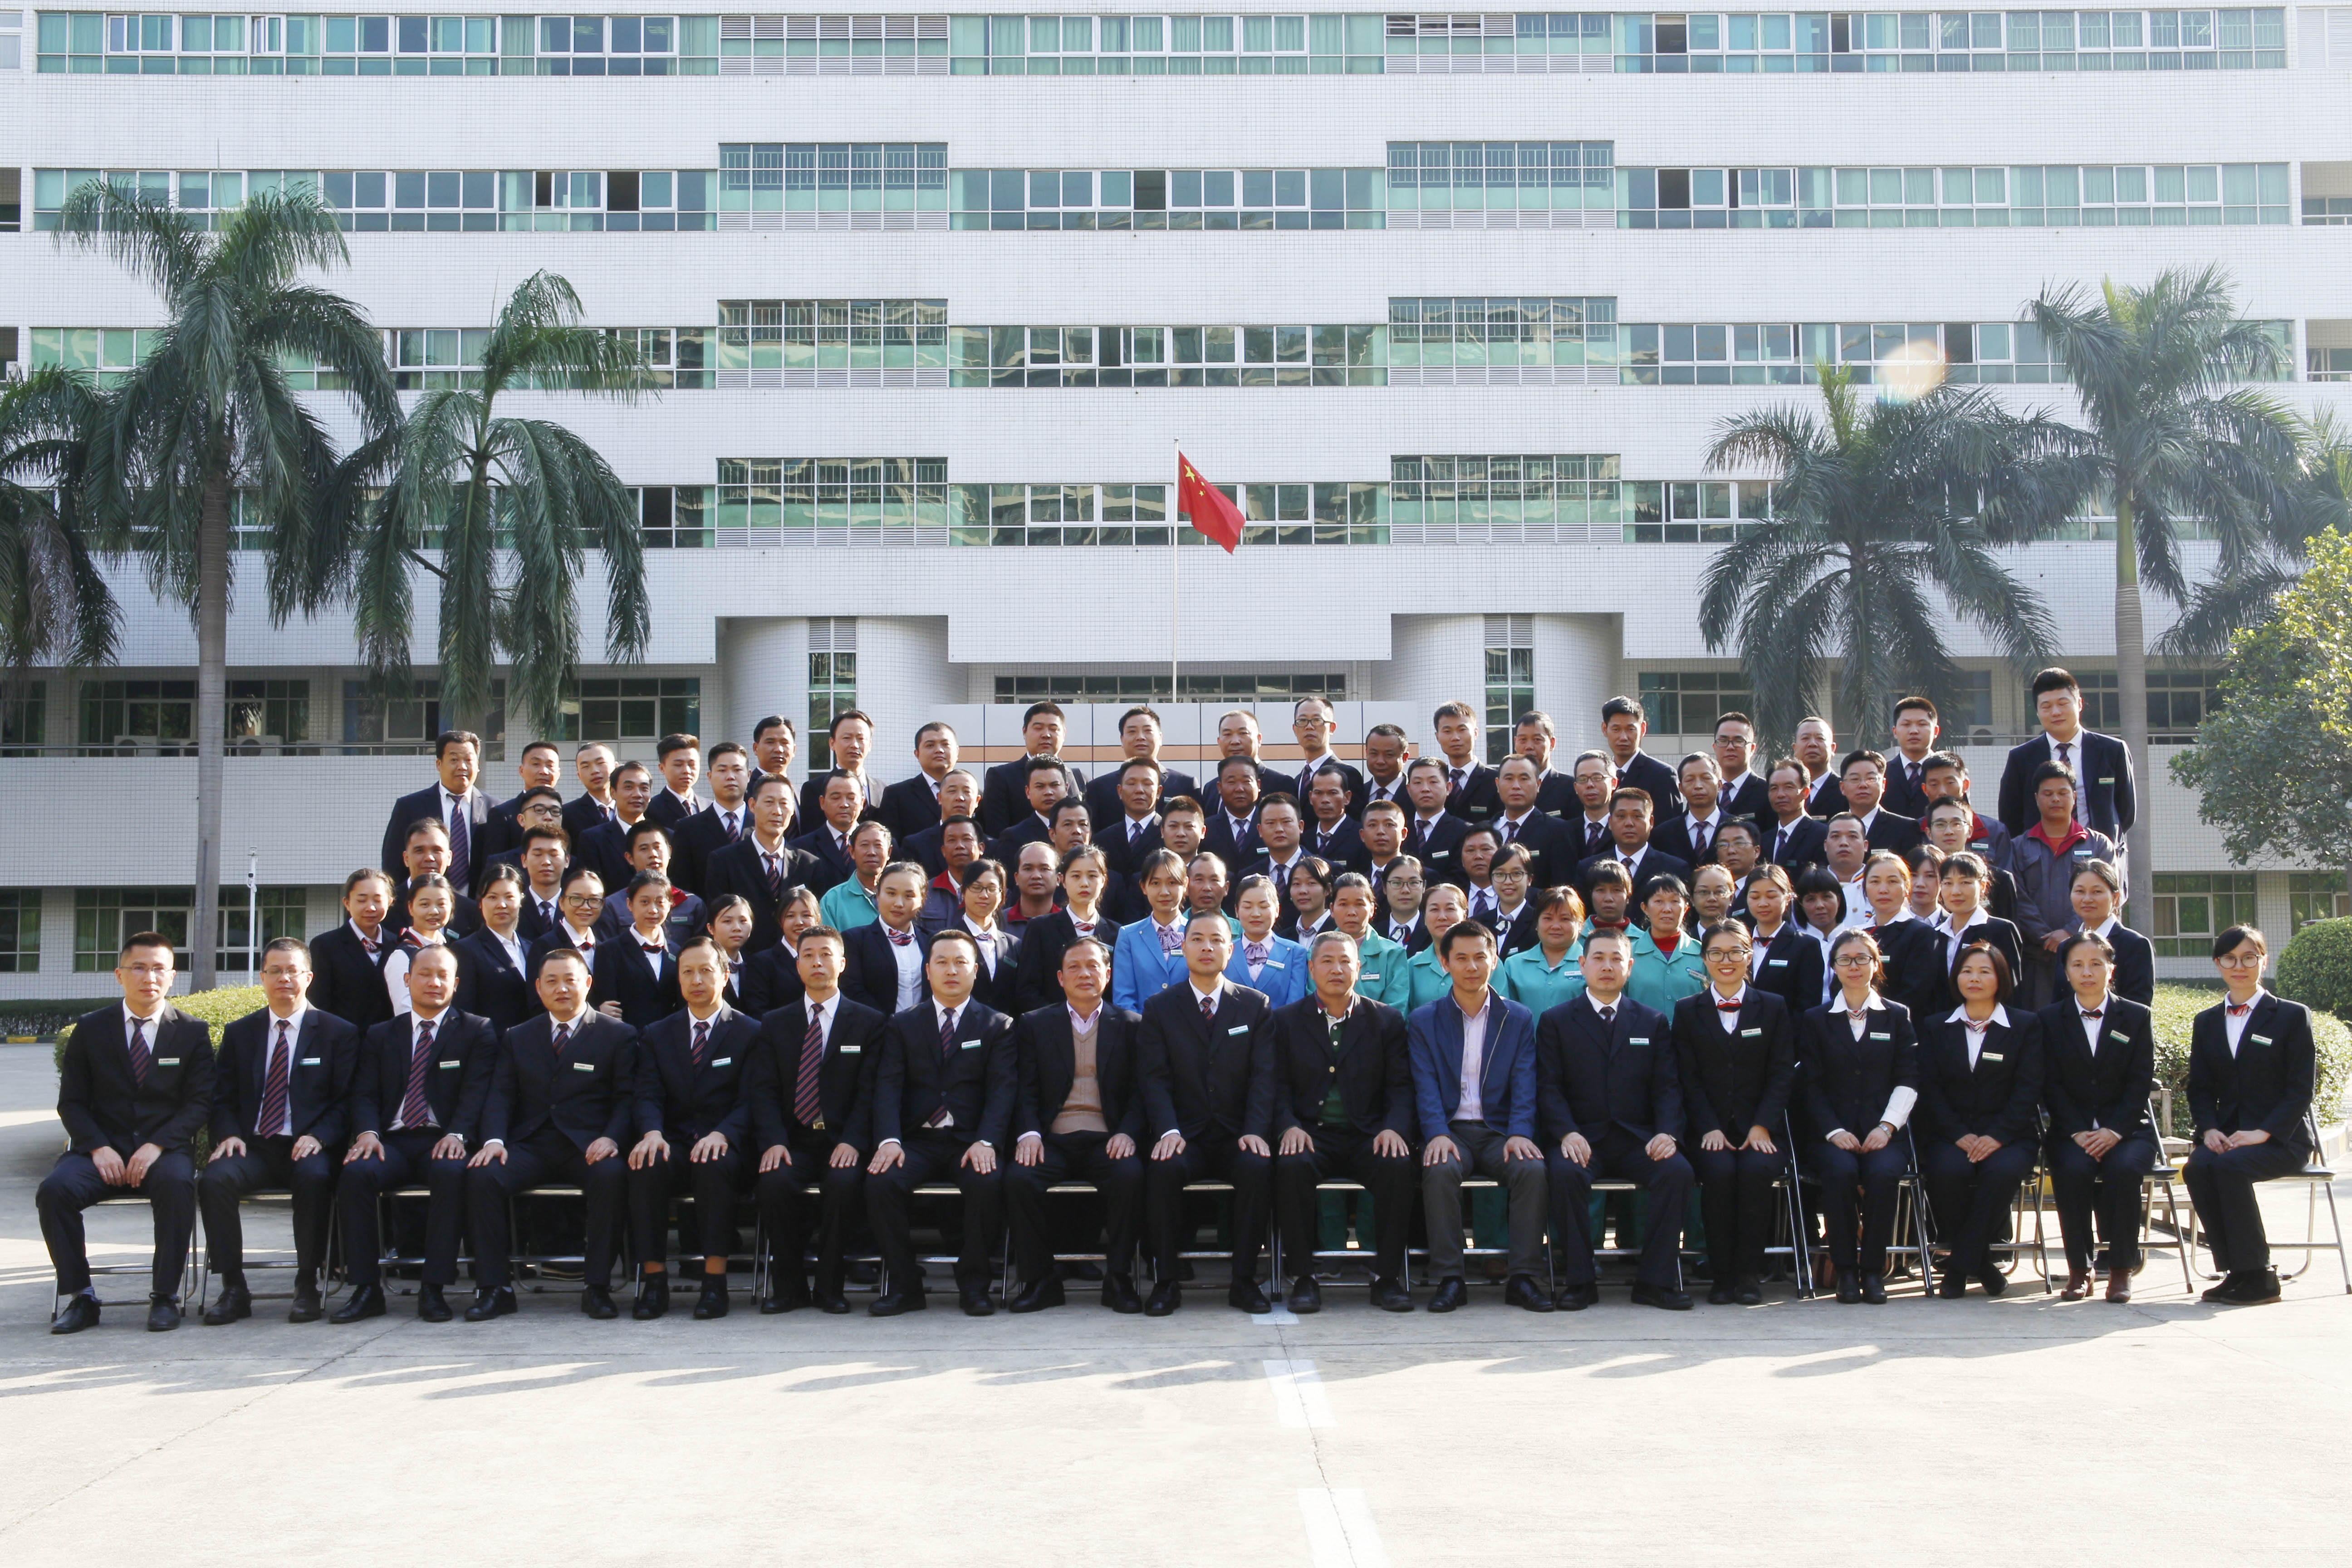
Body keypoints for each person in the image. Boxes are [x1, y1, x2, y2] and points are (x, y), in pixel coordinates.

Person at [40, 934, 215, 1335]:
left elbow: (199, 1104)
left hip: (162, 1151)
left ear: (172, 977)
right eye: (139, 968)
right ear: (120, 975)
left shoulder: (191, 1032)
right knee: (55, 1191)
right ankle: (81, 1297)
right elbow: (72, 1103)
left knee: (177, 1185)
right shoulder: (90, 1029)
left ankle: (165, 1296)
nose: (149, 977)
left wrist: (157, 1145)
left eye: (158, 969)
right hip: (100, 1152)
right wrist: (98, 1147)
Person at [464, 947, 637, 1321]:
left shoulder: (618, 1035)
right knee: (483, 1176)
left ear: (587, 984)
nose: (562, 989)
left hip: (588, 1144)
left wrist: (612, 1138)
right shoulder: (518, 1036)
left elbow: (627, 1099)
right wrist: (494, 1141)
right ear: (539, 988)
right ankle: (495, 1288)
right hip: (532, 1143)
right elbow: (500, 1095)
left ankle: (597, 1287)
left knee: (612, 1176)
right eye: (552, 981)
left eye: (570, 980)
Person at [330, 942, 497, 1323]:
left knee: (451, 1175)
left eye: (443, 976)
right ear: (407, 980)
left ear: (456, 984)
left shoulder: (477, 1030)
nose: (433, 982)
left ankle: (433, 1288)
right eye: (424, 974)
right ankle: (366, 1289)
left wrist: (458, 1134)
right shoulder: (380, 1034)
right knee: (356, 1175)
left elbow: (477, 1093)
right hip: (391, 1141)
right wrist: (367, 1133)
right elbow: (364, 1092)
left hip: (445, 1140)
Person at [196, 939, 359, 1327]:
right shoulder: (241, 1033)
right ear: (263, 977)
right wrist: (228, 1134)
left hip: (309, 1146)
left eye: (292, 971)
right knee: (214, 1180)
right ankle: (233, 1287)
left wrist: (319, 1136)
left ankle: (307, 1282)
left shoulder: (338, 1032)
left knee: (316, 1178)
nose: (284, 978)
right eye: (275, 971)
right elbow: (222, 1098)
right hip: (253, 1146)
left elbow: (347, 1100)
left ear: (309, 977)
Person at [1535, 926, 1695, 1311]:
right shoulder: (1557, 1020)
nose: (1607, 967)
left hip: (1637, 1138)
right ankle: (1580, 1282)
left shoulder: (1652, 1021)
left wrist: (1668, 1134)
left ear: (1630, 967)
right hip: (1581, 1138)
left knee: (1677, 1172)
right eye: (1599, 958)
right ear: (1582, 964)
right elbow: (1548, 1087)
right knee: (1565, 1174)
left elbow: (1667, 1087)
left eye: (1616, 959)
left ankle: (1654, 1281)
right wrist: (1566, 1133)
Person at [866, 928, 1018, 1316]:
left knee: (988, 1181)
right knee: (881, 1182)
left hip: (970, 1140)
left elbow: (1002, 1091)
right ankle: (905, 1286)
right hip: (916, 1140)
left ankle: (975, 1286)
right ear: (928, 971)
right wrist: (889, 1140)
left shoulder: (998, 1025)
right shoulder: (902, 1024)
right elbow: (888, 1087)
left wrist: (987, 1141)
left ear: (975, 970)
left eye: (961, 962)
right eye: (942, 962)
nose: (952, 970)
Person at [1134, 912, 1280, 1315]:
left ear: (1230, 950)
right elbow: (1154, 1078)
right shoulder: (1160, 1008)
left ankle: (1244, 1281)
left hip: (1237, 1133)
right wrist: (1167, 1130)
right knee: (1162, 1169)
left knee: (1257, 1167)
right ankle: (1166, 1281)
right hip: (1185, 1134)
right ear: (1183, 948)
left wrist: (1256, 1130)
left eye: (1216, 940)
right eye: (1197, 939)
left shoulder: (1255, 1005)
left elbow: (1264, 1076)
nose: (1207, 947)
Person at [1404, 919, 1548, 1312]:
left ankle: (1523, 1278)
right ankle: (1451, 1278)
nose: (1472, 967)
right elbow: (1424, 1085)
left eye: (1480, 958)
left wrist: (1520, 1133)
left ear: (1494, 960)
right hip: (1450, 1130)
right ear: (1445, 962)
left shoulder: (1517, 1017)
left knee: (1531, 1170)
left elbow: (1525, 1081)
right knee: (1439, 1169)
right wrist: (1435, 1133)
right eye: (1462, 958)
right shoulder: (1424, 1020)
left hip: (1498, 1131)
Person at [1270, 931, 1416, 1313]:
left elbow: (1401, 1086)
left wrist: (1393, 1128)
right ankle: (1304, 1277)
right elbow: (1275, 1085)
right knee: (1291, 1166)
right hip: (1310, 1133)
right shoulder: (1286, 1021)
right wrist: (1288, 1126)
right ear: (1311, 969)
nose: (1337, 969)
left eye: (1345, 961)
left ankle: (1387, 1278)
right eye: (1327, 961)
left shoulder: (1386, 1020)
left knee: (1398, 1165)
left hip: (1368, 1133)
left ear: (1359, 967)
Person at [745, 926, 885, 1313]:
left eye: (826, 955)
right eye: (808, 955)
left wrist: (853, 1140)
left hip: (844, 1140)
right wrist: (774, 1141)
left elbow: (871, 1092)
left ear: (843, 964)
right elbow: (764, 1090)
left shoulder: (870, 1022)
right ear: (797, 966)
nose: (817, 962)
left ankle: (830, 1288)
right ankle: (788, 1288)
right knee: (774, 1183)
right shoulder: (775, 1023)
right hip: (793, 1139)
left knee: (843, 1185)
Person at [1006, 938, 1146, 1313]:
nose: (1085, 974)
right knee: (1019, 1179)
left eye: (1093, 966)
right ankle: (1040, 1280)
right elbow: (1024, 1089)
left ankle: (1119, 1279)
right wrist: (1030, 1133)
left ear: (1108, 975)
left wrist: (1128, 1132)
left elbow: (1142, 1092)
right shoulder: (1035, 1024)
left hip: (1107, 1138)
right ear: (1060, 978)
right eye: (1075, 967)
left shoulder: (1131, 1026)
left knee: (1130, 1176)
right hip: (1053, 1138)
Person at [625, 936, 757, 1320]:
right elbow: (647, 1094)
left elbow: (754, 1099)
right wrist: (652, 1133)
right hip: (676, 1141)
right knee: (646, 1164)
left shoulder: (750, 1032)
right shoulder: (657, 1033)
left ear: (725, 975)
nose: (696, 980)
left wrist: (724, 1134)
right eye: (687, 972)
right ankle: (654, 1283)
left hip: (728, 1144)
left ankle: (714, 1284)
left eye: (705, 971)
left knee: (714, 1165)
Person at [2184, 925, 2317, 1306]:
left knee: (2229, 1168)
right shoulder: (2207, 1021)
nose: (2239, 966)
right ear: (2218, 964)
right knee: (2197, 1168)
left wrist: (2264, 1132)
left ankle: (2260, 1276)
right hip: (2228, 1136)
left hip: (2282, 1140)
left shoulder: (2292, 1016)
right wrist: (2209, 1130)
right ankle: (2237, 1272)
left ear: (2264, 961)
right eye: (2230, 959)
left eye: (2248, 958)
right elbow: (2201, 1088)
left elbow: (2301, 1089)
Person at [1672, 921, 1798, 1305]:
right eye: (1716, 953)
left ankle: (1748, 1275)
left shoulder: (1773, 1007)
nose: (1725, 961)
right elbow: (1687, 1077)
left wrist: (1762, 1125)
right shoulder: (1688, 1010)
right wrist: (1707, 1127)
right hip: (1708, 1129)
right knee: (1719, 1173)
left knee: (1757, 1173)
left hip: (1762, 1128)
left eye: (1735, 952)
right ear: (1704, 958)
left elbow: (1782, 1073)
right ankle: (1722, 1276)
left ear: (1749, 956)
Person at [1915, 941, 2045, 1297]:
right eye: (1967, 971)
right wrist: (1958, 1134)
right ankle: (1982, 1263)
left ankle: (1959, 1267)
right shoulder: (1936, 1026)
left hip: (2009, 1136)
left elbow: (2029, 1088)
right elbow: (1930, 1088)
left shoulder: (2026, 1025)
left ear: (2000, 978)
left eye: (1984, 971)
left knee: (2001, 1172)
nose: (1974, 978)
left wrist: (1997, 1135)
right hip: (1951, 1135)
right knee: (1948, 1171)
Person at [2036, 931, 2158, 1302]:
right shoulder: (2049, 1019)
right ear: (2066, 972)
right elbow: (2049, 1082)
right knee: (2072, 1171)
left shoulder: (2136, 1016)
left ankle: (2120, 1270)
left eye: (2095, 964)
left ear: (2111, 969)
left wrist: (2114, 1130)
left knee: (2124, 1171)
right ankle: (2079, 1270)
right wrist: (2077, 1130)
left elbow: (2140, 1081)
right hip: (2071, 1132)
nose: (2087, 972)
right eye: (2077, 965)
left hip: (2127, 1132)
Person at [1802, 927, 1919, 1304]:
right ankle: (1845, 1271)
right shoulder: (1816, 1019)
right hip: (1831, 1134)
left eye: (1862, 959)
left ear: (1876, 964)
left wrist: (1887, 1126)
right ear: (1834, 967)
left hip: (1884, 1132)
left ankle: (1872, 1271)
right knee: (1840, 1173)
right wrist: (1833, 1131)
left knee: (1883, 1174)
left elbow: (1909, 1077)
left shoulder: (1897, 1016)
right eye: (1845, 960)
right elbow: (1810, 1085)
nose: (1854, 966)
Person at [2012, 762, 2122, 1005]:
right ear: (2037, 799)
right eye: (2048, 793)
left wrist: (2071, 933)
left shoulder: (2099, 845)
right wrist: (2046, 937)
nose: (2056, 799)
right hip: (2035, 957)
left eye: (2063, 793)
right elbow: (2017, 897)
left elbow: (2109, 894)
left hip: (2089, 957)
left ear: (2074, 797)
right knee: (2038, 1021)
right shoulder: (2019, 846)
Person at [1998, 666, 2136, 849]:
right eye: (2046, 707)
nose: (2056, 712)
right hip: (2041, 857)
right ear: (2038, 712)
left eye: (2063, 704)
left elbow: (2126, 813)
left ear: (2079, 704)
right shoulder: (2021, 758)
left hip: (2100, 855)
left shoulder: (2113, 750)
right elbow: (2010, 816)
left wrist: (2103, 845)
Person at [380, 729, 509, 898]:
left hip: (478, 907)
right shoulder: (409, 807)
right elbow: (393, 864)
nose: (462, 767)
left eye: (468, 760)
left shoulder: (496, 809)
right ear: (439, 764)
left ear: (478, 765)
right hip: (423, 905)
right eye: (454, 760)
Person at [701, 774, 822, 955]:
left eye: (784, 803)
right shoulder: (724, 860)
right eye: (769, 802)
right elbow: (719, 919)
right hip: (745, 960)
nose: (777, 811)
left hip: (795, 962)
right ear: (752, 805)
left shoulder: (809, 864)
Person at [1012, 844, 1122, 1013]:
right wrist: (1062, 1020)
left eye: (1092, 876)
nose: (1084, 883)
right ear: (1063, 880)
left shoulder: (1118, 933)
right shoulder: (1040, 928)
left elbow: (1119, 991)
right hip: (1050, 1023)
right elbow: (1027, 990)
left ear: (1104, 881)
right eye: (1076, 876)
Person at [1929, 852, 2028, 1011]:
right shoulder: (1934, 934)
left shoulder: (2001, 930)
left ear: (1983, 886)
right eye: (1948, 883)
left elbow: (2011, 989)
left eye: (1965, 882)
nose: (1956, 892)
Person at [590, 872, 684, 1029]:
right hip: (628, 1038)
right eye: (645, 902)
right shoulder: (609, 951)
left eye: (660, 902)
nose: (653, 910)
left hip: (671, 1039)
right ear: (630, 904)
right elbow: (609, 1006)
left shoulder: (679, 952)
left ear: (670, 905)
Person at [1855, 852, 1944, 1017]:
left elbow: (1915, 994)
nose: (1883, 890)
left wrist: (1875, 1018)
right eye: (1875, 882)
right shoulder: (1855, 935)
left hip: (1900, 1024)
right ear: (1865, 888)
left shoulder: (1920, 934)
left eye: (1893, 882)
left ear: (1907, 887)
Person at [840, 862, 934, 1016]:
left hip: (925, 1029)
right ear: (878, 894)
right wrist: (890, 1025)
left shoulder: (933, 942)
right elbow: (852, 991)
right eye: (891, 893)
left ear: (922, 900)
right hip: (874, 1028)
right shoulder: (855, 941)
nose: (899, 904)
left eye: (909, 896)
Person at [310, 869, 398, 1031]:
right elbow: (319, 1004)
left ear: (390, 902)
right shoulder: (325, 946)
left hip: (390, 1040)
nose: (371, 908)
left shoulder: (399, 945)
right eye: (362, 900)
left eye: (378, 900)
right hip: (344, 1040)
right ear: (347, 903)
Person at [1083, 706, 1198, 830]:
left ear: (1160, 738)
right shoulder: (1098, 788)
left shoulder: (1185, 785)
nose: (1140, 737)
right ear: (1122, 740)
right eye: (1132, 732)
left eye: (1148, 731)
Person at [980, 701, 1084, 836]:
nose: (1046, 735)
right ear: (1025, 732)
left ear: (1064, 734)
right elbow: (996, 834)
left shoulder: (1080, 779)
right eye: (1038, 728)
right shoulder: (1001, 777)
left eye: (1053, 729)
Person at [455, 865, 538, 1030]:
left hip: (532, 1041)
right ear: (481, 903)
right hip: (491, 1041)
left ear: (521, 899)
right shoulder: (466, 950)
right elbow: (464, 1012)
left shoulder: (533, 948)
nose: (502, 904)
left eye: (509, 897)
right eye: (493, 897)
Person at [1575, 786, 1690, 903]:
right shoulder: (1588, 869)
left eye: (1637, 816)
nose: (1629, 823)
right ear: (1610, 822)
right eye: (1621, 816)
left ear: (1651, 822)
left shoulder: (1675, 869)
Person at [1111, 848, 1191, 1012]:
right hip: (1142, 1026)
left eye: (1172, 883)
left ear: (1185, 885)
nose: (1164, 892)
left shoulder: (1197, 933)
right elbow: (1124, 998)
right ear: (1144, 887)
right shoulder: (1128, 936)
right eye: (1156, 883)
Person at [671, 740, 753, 897]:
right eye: (722, 770)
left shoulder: (763, 825)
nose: (730, 777)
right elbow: (682, 886)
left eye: (737, 770)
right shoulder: (688, 829)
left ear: (749, 775)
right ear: (710, 776)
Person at [2069, 859, 2154, 1005]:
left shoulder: (2135, 946)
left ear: (2115, 898)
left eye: (2097, 892)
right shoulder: (2066, 947)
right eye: (2080, 891)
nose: (2087, 899)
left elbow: (2138, 1008)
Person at [1743, 865, 1824, 1017]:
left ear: (1788, 898)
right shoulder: (1738, 943)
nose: (1763, 903)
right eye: (1755, 897)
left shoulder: (1805, 946)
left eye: (1771, 896)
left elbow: (1808, 1007)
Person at [1919, 752, 2017, 872]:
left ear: (1966, 785)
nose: (1943, 792)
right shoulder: (1916, 830)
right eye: (1934, 785)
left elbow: (2005, 878)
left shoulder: (1995, 831)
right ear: (1925, 789)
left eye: (1950, 783)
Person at [1495, 886, 1587, 1014]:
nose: (1556, 926)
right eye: (1548, 918)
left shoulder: (1592, 964)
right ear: (1537, 924)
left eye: (1565, 919)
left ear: (1581, 925)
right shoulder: (1514, 965)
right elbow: (1506, 1013)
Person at [1626, 874, 1708, 1016]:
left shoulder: (1703, 953)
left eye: (1675, 901)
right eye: (1659, 901)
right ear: (1645, 908)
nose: (1667, 909)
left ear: (1686, 908)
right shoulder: (1628, 954)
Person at [1924, 799, 2018, 921]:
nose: (1949, 832)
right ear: (1929, 833)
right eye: (1940, 825)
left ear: (1970, 831)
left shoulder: (2000, 880)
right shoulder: (1920, 878)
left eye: (1957, 824)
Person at [1489, 755, 1573, 890]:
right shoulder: (1486, 830)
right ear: (1498, 785)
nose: (1516, 786)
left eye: (1524, 779)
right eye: (1509, 779)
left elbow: (1561, 888)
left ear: (1538, 784)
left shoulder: (1557, 831)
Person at [382, 872, 459, 1017]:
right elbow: (405, 1013)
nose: (434, 911)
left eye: (441, 904)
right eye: (425, 905)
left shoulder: (450, 949)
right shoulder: (402, 957)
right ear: (411, 907)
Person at [389, 818, 481, 938]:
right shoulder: (388, 905)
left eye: (437, 851)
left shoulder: (470, 911)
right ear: (406, 859)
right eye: (419, 851)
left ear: (449, 858)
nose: (429, 858)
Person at [1330, 872, 1410, 1011]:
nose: (1351, 912)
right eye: (1343, 904)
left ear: (1372, 909)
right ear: (1332, 909)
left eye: (1359, 904)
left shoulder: (1392, 954)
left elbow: (1396, 1009)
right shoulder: (1317, 951)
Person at [1228, 874, 1310, 1009]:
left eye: (1264, 906)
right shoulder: (1225, 951)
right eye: (1248, 907)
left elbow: (1295, 1004)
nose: (1256, 914)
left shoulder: (1296, 953)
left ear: (1277, 910)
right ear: (1237, 911)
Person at [740, 886, 823, 1018]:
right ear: (780, 921)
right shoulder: (761, 963)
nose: (799, 922)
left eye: (806, 915)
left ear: (818, 919)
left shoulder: (829, 959)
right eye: (790, 916)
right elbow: (758, 1012)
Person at [575, 760, 656, 894]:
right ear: (613, 793)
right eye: (629, 787)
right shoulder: (593, 839)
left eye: (644, 788)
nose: (637, 794)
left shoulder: (667, 837)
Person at [955, 858, 1022, 1014]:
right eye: (976, 888)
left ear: (1002, 894)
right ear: (963, 892)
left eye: (992, 889)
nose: (984, 895)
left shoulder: (1014, 945)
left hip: (1007, 1027)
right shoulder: (945, 941)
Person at [1600, 695, 1682, 822]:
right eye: (1616, 730)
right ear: (1605, 729)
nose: (1623, 737)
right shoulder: (1600, 776)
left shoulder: (1663, 775)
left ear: (1643, 729)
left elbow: (1670, 827)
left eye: (1631, 729)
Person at [879, 719, 962, 843]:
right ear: (917, 754)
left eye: (945, 744)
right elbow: (892, 843)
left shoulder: (973, 794)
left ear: (957, 751)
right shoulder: (897, 795)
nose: (939, 750)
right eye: (930, 745)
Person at [798, 709, 881, 831]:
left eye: (861, 739)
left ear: (870, 745)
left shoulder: (883, 790)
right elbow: (810, 836)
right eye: (847, 738)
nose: (855, 745)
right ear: (832, 743)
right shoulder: (814, 789)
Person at [987, 756, 1074, 867]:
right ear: (1028, 792)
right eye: (1040, 786)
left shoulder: (1082, 830)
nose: (1048, 792)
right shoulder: (1014, 837)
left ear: (1066, 788)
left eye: (1054, 785)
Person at [792, 769, 868, 895]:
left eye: (851, 798)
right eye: (836, 798)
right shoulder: (800, 849)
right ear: (822, 803)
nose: (844, 804)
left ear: (862, 803)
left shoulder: (880, 846)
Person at [1651, 752, 1729, 868]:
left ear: (1719, 785)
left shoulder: (1739, 829)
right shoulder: (1662, 835)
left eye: (1706, 778)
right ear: (1681, 788)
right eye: (1690, 780)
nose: (1698, 786)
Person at [1838, 748, 1923, 853]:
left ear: (1883, 785)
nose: (1863, 785)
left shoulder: (1905, 828)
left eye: (1871, 779)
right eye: (1855, 779)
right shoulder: (1831, 830)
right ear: (1842, 787)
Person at [1401, 757, 1470, 887]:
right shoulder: (1400, 831)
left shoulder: (1464, 832)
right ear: (1409, 790)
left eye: (1433, 782)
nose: (1425, 789)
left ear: (1448, 788)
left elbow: (1461, 878)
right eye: (1418, 783)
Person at [1288, 695, 1365, 810]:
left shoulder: (1348, 774)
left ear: (1332, 728)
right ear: (1295, 729)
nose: (1309, 727)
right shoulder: (1297, 781)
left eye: (1317, 720)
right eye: (1302, 721)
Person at [1098, 757, 1170, 879]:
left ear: (1159, 792)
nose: (1139, 790)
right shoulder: (1102, 840)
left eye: (1147, 784)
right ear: (1120, 791)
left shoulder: (1170, 835)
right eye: (1131, 784)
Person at [1428, 698, 1499, 822]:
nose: (1455, 738)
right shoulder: (1431, 783)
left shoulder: (1496, 781)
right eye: (1447, 731)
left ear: (1476, 733)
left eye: (1462, 730)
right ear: (1437, 737)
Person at [819, 819, 896, 931]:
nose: (872, 852)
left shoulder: (904, 896)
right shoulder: (832, 901)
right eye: (865, 845)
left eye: (878, 845)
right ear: (852, 852)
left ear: (889, 852)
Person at [1402, 882, 1468, 1009]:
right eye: (1434, 910)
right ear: (1425, 918)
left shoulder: (1485, 961)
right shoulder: (1412, 967)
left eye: (1450, 909)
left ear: (1464, 915)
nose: (1442, 917)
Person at [906, 769, 984, 877]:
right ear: (940, 798)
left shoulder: (992, 845)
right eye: (952, 791)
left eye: (967, 792)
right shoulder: (916, 845)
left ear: (977, 801)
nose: (960, 798)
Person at [917, 816, 987, 933]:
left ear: (981, 848)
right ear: (943, 851)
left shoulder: (995, 893)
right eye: (952, 840)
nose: (960, 846)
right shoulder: (925, 893)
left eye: (967, 839)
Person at [1760, 757, 1830, 872]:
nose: (1780, 795)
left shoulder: (1822, 835)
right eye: (1774, 788)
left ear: (1806, 792)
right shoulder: (1764, 840)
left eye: (1789, 787)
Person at [1793, 866, 1849, 1006]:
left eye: (1827, 897)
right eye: (1811, 899)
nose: (1820, 905)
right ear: (1801, 905)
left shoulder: (1855, 940)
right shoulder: (1793, 944)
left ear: (1839, 900)